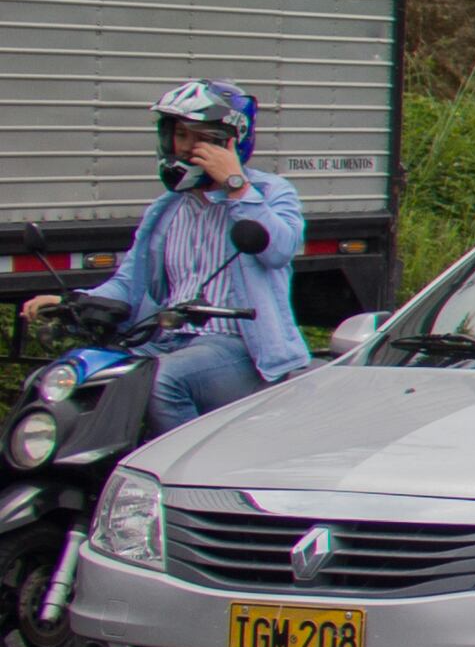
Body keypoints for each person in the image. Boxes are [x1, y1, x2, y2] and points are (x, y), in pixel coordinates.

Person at [20, 79, 309, 431]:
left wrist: (236, 186)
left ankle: (181, 479)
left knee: (160, 382)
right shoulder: (168, 208)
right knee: (65, 377)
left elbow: (277, 250)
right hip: (168, 340)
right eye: (179, 135)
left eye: (200, 137)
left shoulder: (269, 193)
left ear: (231, 140)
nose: (186, 148)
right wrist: (73, 302)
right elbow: (129, 284)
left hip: (242, 348)